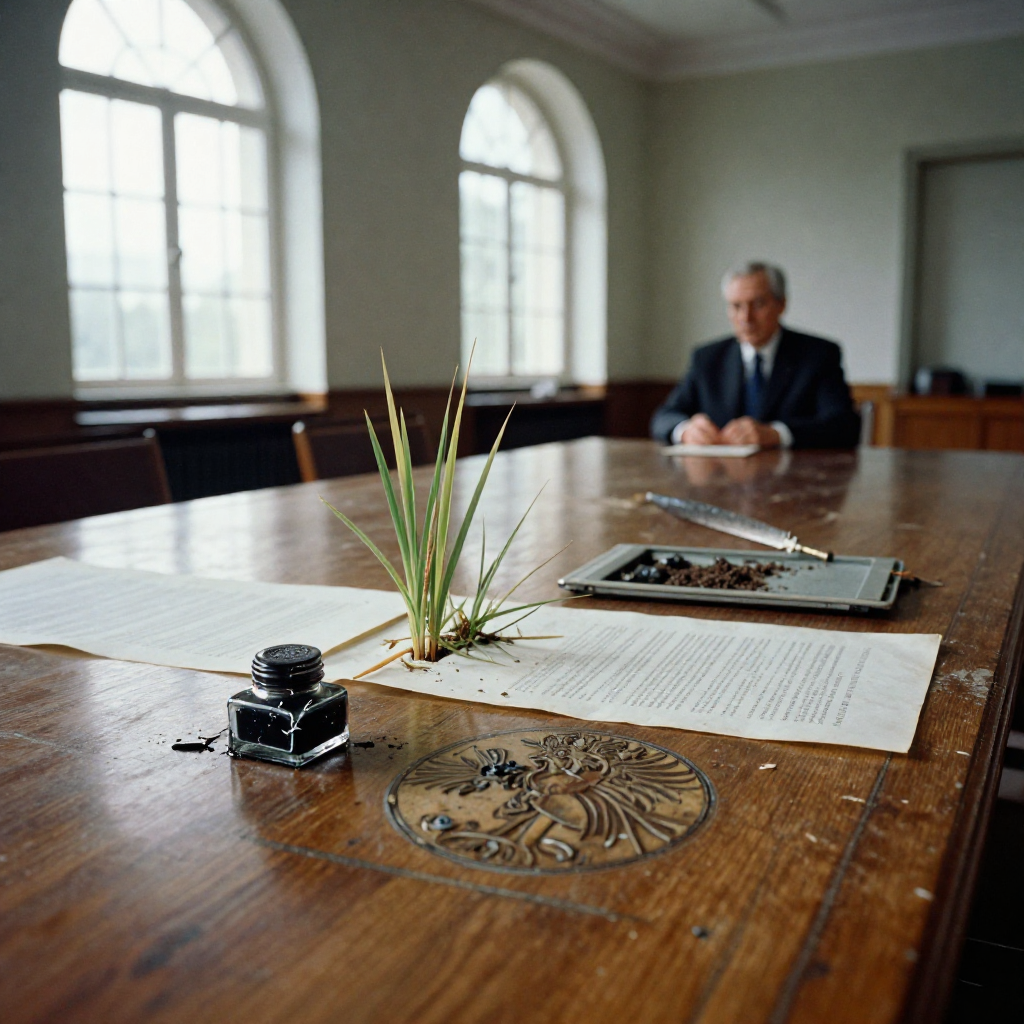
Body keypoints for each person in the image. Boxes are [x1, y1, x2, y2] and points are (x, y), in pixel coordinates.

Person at [649, 262, 861, 449]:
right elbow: (663, 418)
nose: (746, 317)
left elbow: (843, 425)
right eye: (736, 306)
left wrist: (776, 434)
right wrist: (685, 430)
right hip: (719, 482)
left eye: (758, 304)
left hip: (795, 481)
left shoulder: (818, 355)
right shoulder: (707, 358)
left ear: (781, 304)